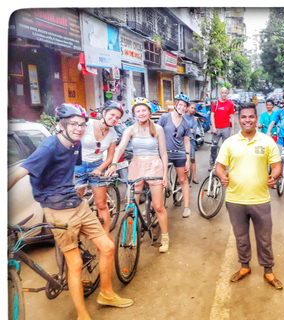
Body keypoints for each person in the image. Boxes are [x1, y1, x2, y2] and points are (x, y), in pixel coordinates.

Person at [8, 103, 133, 320]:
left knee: (107, 246)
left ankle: (106, 293)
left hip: (77, 205)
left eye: (82, 124)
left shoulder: (75, 145)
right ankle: (82, 315)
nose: (79, 128)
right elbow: (19, 172)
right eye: (74, 124)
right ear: (61, 125)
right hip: (58, 210)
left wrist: (77, 195)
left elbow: (72, 173)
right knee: (74, 263)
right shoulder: (49, 147)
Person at [215, 102, 284, 290]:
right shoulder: (229, 143)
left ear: (256, 119)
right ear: (239, 120)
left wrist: (274, 176)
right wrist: (222, 176)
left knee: (264, 238)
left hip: (260, 199)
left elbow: (277, 165)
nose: (247, 120)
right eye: (244, 117)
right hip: (235, 200)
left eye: (251, 116)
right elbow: (219, 166)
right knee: (241, 237)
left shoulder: (267, 141)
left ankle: (268, 270)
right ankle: (245, 267)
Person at [106, 97, 169, 252]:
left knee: (159, 206)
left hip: (155, 166)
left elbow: (163, 153)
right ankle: (132, 231)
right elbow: (120, 148)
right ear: (134, 113)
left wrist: (165, 174)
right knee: (131, 205)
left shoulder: (158, 129)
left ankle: (165, 237)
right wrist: (113, 164)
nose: (141, 113)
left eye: (144, 110)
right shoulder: (131, 129)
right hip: (136, 166)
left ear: (149, 112)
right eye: (138, 111)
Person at [74, 100, 123, 235]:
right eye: (112, 115)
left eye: (117, 117)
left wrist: (100, 168)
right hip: (78, 165)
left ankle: (105, 236)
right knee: (76, 204)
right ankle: (77, 236)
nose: (114, 119)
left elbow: (110, 157)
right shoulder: (87, 125)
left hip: (97, 165)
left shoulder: (113, 133)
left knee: (101, 204)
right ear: (104, 112)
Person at [158, 94, 192, 218]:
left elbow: (187, 141)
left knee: (183, 180)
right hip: (164, 153)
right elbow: (157, 133)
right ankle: (155, 206)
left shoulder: (186, 123)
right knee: (160, 180)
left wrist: (188, 159)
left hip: (180, 154)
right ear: (176, 104)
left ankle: (186, 207)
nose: (182, 107)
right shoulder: (165, 117)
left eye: (185, 106)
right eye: (181, 105)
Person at [209, 87, 235, 171]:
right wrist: (213, 127)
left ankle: (223, 164)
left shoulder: (230, 103)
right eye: (222, 92)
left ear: (227, 94)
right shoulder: (215, 103)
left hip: (226, 128)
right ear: (220, 93)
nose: (224, 94)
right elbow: (212, 115)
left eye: (225, 93)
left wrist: (233, 130)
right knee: (214, 147)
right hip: (216, 128)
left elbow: (232, 116)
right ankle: (212, 163)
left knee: (225, 147)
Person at [184, 102, 199, 184]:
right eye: (191, 107)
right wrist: (189, 130)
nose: (193, 110)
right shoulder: (182, 117)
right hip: (182, 141)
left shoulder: (194, 119)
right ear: (187, 107)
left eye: (194, 108)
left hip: (191, 140)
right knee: (183, 160)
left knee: (192, 159)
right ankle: (183, 177)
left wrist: (187, 130)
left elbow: (194, 131)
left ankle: (194, 178)